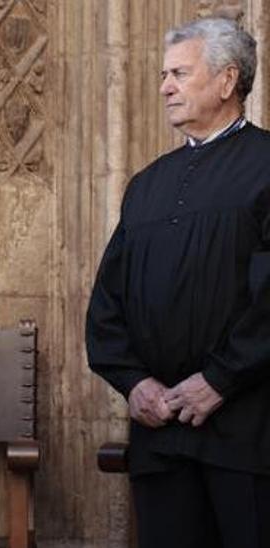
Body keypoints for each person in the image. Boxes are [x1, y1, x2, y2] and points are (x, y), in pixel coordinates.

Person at [87, 17, 270, 548]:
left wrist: (219, 379)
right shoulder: (147, 185)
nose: (164, 86)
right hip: (160, 434)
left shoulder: (265, 165)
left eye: (179, 73)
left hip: (246, 437)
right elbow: (108, 303)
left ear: (226, 80)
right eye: (163, 74)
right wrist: (133, 382)